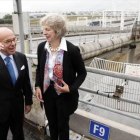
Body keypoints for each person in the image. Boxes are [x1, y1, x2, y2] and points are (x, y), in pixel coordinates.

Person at [35, 13, 87, 140]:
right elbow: (39, 69)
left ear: (57, 31)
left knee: (63, 126)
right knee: (52, 124)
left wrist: (71, 88)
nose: (44, 32)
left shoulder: (72, 50)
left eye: (47, 29)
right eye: (44, 29)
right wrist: (37, 86)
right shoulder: (42, 47)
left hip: (64, 94)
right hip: (47, 92)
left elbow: (82, 73)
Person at [0, 27, 33, 140]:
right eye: (8, 41)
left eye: (14, 39)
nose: (13, 44)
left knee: (19, 135)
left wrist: (28, 101)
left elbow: (26, 82)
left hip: (17, 108)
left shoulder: (21, 57)